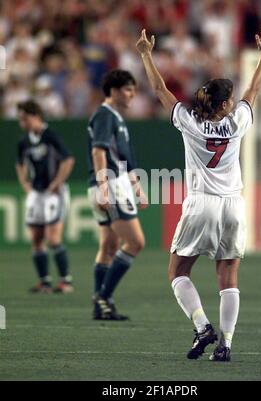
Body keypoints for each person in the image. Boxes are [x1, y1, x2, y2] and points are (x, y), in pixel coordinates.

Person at [136, 29, 261, 361]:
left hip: (201, 203)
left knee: (177, 272)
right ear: (226, 103)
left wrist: (145, 55)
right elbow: (254, 89)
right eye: (231, 97)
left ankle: (202, 327)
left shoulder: (189, 121)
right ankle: (225, 344)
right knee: (228, 276)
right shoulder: (238, 120)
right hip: (233, 205)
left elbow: (158, 89)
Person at [87, 69, 148, 320]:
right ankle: (103, 296)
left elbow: (122, 158)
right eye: (128, 89)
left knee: (109, 245)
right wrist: (104, 187)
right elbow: (98, 152)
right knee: (135, 242)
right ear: (113, 91)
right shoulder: (104, 115)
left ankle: (100, 306)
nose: (132, 94)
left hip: (115, 182)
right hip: (109, 184)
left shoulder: (116, 118)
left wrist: (136, 186)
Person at [16, 100, 75, 293]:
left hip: (53, 194)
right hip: (36, 193)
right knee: (36, 238)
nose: (22, 123)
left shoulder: (50, 136)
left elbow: (68, 159)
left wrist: (57, 182)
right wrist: (25, 183)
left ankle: (66, 281)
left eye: (24, 119)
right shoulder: (24, 141)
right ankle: (44, 282)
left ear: (35, 116)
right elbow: (19, 164)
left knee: (53, 238)